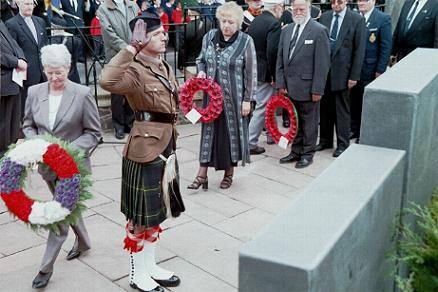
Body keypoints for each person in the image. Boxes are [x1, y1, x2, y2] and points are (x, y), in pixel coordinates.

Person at [99, 11, 182, 292]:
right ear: (143, 38)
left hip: (166, 144)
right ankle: (137, 274)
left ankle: (151, 266)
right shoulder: (134, 69)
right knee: (139, 217)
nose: (164, 36)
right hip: (144, 149)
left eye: (163, 32)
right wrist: (130, 49)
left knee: (157, 212)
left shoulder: (163, 65)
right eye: (158, 33)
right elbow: (107, 81)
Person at [22, 44, 101, 289]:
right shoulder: (34, 92)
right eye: (50, 72)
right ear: (44, 69)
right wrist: (37, 143)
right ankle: (85, 241)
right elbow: (28, 125)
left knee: (59, 217)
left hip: (73, 169)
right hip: (47, 167)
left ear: (69, 68)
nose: (55, 77)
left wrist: (65, 152)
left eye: (60, 72)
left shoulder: (82, 93)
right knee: (67, 207)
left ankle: (45, 269)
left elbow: (94, 133)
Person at [189, 1, 257, 190]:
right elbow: (200, 59)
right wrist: (201, 71)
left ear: (238, 23)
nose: (227, 26)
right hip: (210, 98)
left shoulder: (245, 41)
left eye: (231, 22)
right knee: (208, 133)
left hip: (233, 100)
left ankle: (229, 174)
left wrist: (247, 100)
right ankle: (202, 174)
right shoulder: (209, 37)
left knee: (229, 136)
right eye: (224, 21)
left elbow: (251, 73)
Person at [276, 0, 330, 168]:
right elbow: (280, 59)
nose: (298, 11)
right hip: (290, 87)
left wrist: (318, 89)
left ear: (309, 9)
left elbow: (323, 64)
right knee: (295, 121)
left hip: (309, 88)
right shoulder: (287, 31)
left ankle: (307, 154)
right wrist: (281, 83)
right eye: (295, 8)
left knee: (309, 123)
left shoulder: (319, 31)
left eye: (302, 8)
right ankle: (296, 151)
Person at [317, 0, 366, 157]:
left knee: (341, 109)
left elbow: (359, 50)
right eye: (332, 2)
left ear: (345, 1)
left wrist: (354, 76)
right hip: (325, 72)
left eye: (339, 1)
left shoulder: (356, 19)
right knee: (324, 108)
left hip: (344, 73)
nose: (335, 5)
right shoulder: (324, 17)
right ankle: (325, 140)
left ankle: (343, 143)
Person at [350, 0, 391, 142]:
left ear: (373, 1)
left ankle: (363, 133)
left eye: (364, 0)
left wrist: (380, 69)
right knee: (353, 100)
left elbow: (385, 46)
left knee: (365, 102)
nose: (361, 3)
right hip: (354, 69)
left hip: (370, 69)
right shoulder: (354, 17)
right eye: (359, 0)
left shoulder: (382, 19)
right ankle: (353, 129)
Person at [97, 0, 139, 139]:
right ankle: (118, 126)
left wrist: (135, 45)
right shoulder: (104, 8)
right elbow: (108, 34)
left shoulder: (132, 5)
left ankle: (130, 123)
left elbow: (140, 26)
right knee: (116, 94)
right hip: (116, 56)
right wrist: (127, 48)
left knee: (131, 89)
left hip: (133, 54)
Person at [247, 0, 283, 155]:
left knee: (270, 104)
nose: (282, 10)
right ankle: (250, 142)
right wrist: (274, 75)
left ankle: (271, 135)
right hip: (266, 72)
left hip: (254, 69)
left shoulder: (256, 21)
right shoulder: (274, 24)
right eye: (281, 7)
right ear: (276, 7)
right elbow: (272, 51)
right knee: (262, 106)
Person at [6, 0, 48, 119]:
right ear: (18, 4)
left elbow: (44, 45)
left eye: (31, 4)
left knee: (44, 105)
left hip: (43, 72)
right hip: (26, 73)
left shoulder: (40, 21)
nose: (30, 7)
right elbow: (12, 50)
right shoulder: (11, 24)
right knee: (28, 108)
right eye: (26, 4)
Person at [0, 20, 27, 156]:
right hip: (3, 83)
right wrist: (15, 62)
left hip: (13, 81)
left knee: (13, 128)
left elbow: (13, 43)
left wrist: (21, 58)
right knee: (3, 131)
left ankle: (8, 161)